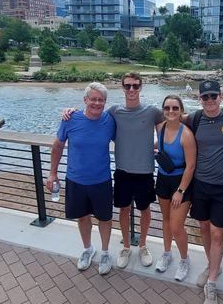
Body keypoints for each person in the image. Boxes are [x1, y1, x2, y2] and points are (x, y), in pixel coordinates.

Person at [61, 71, 164, 270]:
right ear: (122, 87)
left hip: (144, 170)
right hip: (123, 170)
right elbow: (93, 113)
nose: (131, 89)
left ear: (141, 87)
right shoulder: (114, 111)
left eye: (135, 85)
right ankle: (126, 246)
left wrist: (149, 146)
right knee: (123, 210)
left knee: (145, 210)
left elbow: (169, 127)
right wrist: (70, 111)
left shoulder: (152, 111)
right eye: (127, 86)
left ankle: (143, 245)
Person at [47, 82, 117, 275]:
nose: (96, 103)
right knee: (83, 216)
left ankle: (104, 252)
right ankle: (88, 249)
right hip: (75, 180)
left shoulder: (110, 121)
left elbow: (127, 139)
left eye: (101, 100)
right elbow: (58, 146)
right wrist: (53, 173)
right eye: (93, 99)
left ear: (105, 102)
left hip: (101, 180)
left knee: (105, 218)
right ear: (85, 100)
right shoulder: (70, 119)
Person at [186, 79, 223, 304]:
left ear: (221, 97)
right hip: (199, 184)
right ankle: (213, 267)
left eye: (213, 96)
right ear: (200, 99)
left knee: (218, 233)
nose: (209, 100)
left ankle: (211, 284)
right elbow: (169, 125)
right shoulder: (193, 119)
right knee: (204, 228)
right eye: (205, 97)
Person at [154, 95, 196, 281]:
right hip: (163, 178)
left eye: (175, 108)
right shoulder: (161, 128)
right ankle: (167, 253)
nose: (170, 111)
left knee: (176, 226)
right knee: (165, 220)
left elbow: (191, 166)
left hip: (181, 182)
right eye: (167, 108)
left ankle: (185, 260)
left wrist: (180, 191)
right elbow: (158, 145)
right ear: (163, 110)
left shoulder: (186, 134)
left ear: (181, 111)